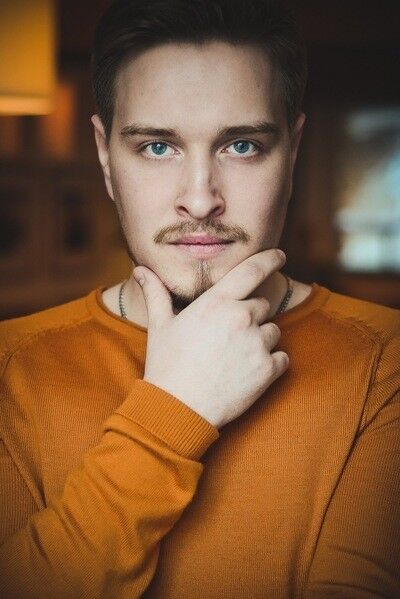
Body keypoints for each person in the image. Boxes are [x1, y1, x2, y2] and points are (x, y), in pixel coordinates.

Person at [0, 0, 399, 597]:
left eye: (242, 146)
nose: (201, 199)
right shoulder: (8, 367)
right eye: (157, 147)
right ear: (106, 156)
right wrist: (175, 410)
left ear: (292, 152)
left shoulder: (386, 359)